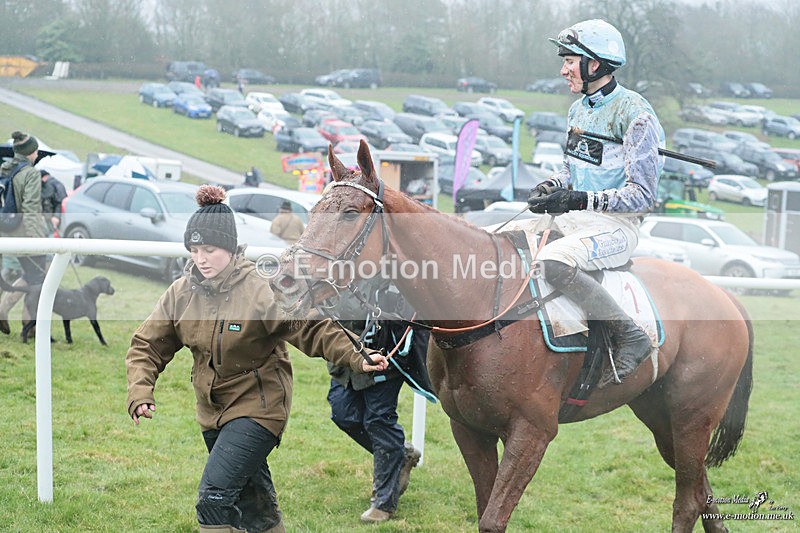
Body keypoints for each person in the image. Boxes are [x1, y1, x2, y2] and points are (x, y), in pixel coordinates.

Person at [125, 185, 389, 533]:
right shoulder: (181, 292)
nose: (200, 258)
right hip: (211, 414)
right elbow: (147, 345)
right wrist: (140, 392)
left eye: (210, 249)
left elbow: (311, 327)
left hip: (259, 409)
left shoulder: (263, 288)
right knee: (257, 511)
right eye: (194, 250)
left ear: (231, 249)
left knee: (214, 499)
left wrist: (357, 354)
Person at [526, 19, 665, 386]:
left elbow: (643, 195)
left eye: (569, 60)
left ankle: (629, 335)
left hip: (618, 227)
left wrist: (580, 198)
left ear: (596, 63)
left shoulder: (636, 115)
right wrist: (552, 186)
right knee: (505, 240)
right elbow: (573, 172)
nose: (563, 69)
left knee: (553, 261)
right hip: (579, 221)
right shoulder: (578, 110)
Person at [326, 279, 433, 523]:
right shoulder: (335, 267)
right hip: (345, 356)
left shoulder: (392, 265)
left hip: (386, 356)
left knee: (378, 420)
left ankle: (383, 503)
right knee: (343, 413)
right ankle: (401, 453)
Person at [0, 131, 47, 336]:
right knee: (37, 279)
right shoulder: (30, 173)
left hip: (7, 231)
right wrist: (37, 241)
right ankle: (28, 326)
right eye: (35, 151)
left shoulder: (6, 169)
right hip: (26, 234)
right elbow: (31, 209)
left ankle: (28, 325)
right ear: (30, 152)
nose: (37, 154)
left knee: (29, 276)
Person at [40, 169, 67, 237]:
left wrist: (56, 216)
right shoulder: (57, 184)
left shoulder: (50, 187)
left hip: (50, 219)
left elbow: (57, 203)